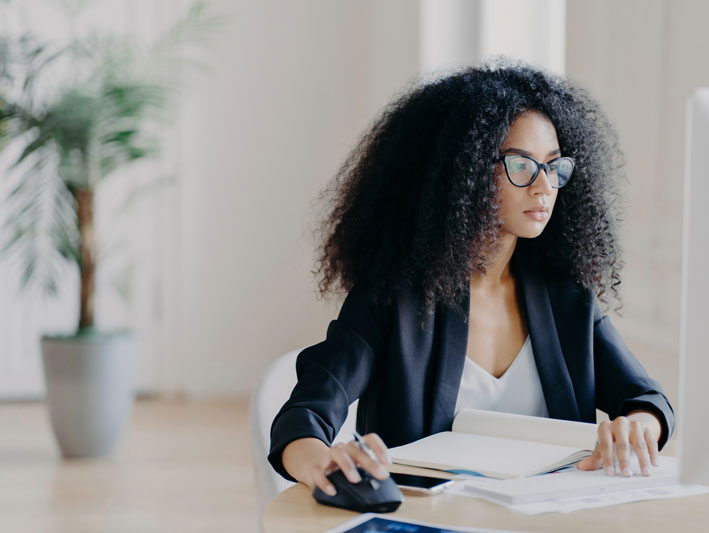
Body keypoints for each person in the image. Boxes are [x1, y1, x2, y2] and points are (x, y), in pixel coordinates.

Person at [268, 61, 674, 497]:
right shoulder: (393, 300)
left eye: (554, 167)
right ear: (463, 172)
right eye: (521, 165)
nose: (544, 188)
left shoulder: (567, 297)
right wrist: (321, 460)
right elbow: (303, 418)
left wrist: (636, 428)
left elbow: (647, 401)